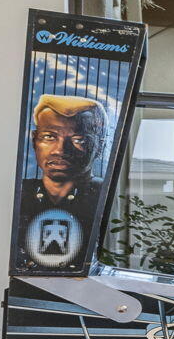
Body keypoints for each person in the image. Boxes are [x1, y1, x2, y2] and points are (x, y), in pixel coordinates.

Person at [15, 93, 109, 269]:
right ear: (35, 140)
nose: (60, 150)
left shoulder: (107, 197)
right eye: (49, 137)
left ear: (100, 147)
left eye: (78, 140)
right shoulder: (17, 193)